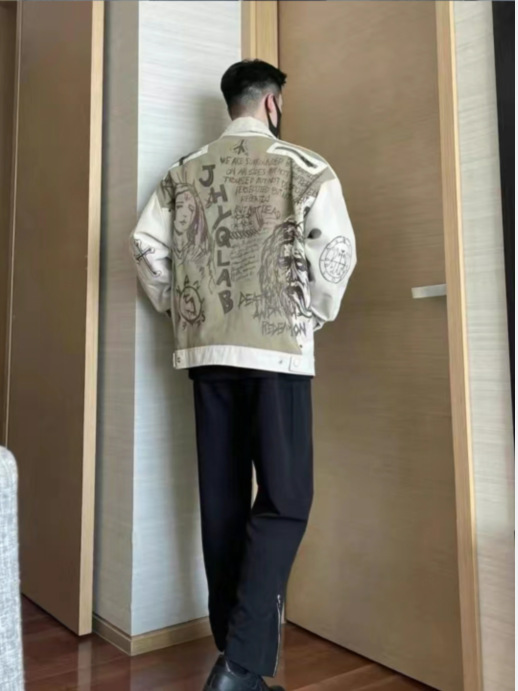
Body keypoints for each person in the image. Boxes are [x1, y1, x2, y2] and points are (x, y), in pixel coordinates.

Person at [130, 59, 357, 691]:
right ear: (272, 104)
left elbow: (145, 246)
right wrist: (308, 314)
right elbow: (336, 255)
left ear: (232, 104)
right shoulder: (305, 166)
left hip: (206, 354)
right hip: (276, 354)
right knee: (286, 499)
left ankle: (234, 653)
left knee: (223, 501)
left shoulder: (182, 172)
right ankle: (240, 667)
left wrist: (181, 307)